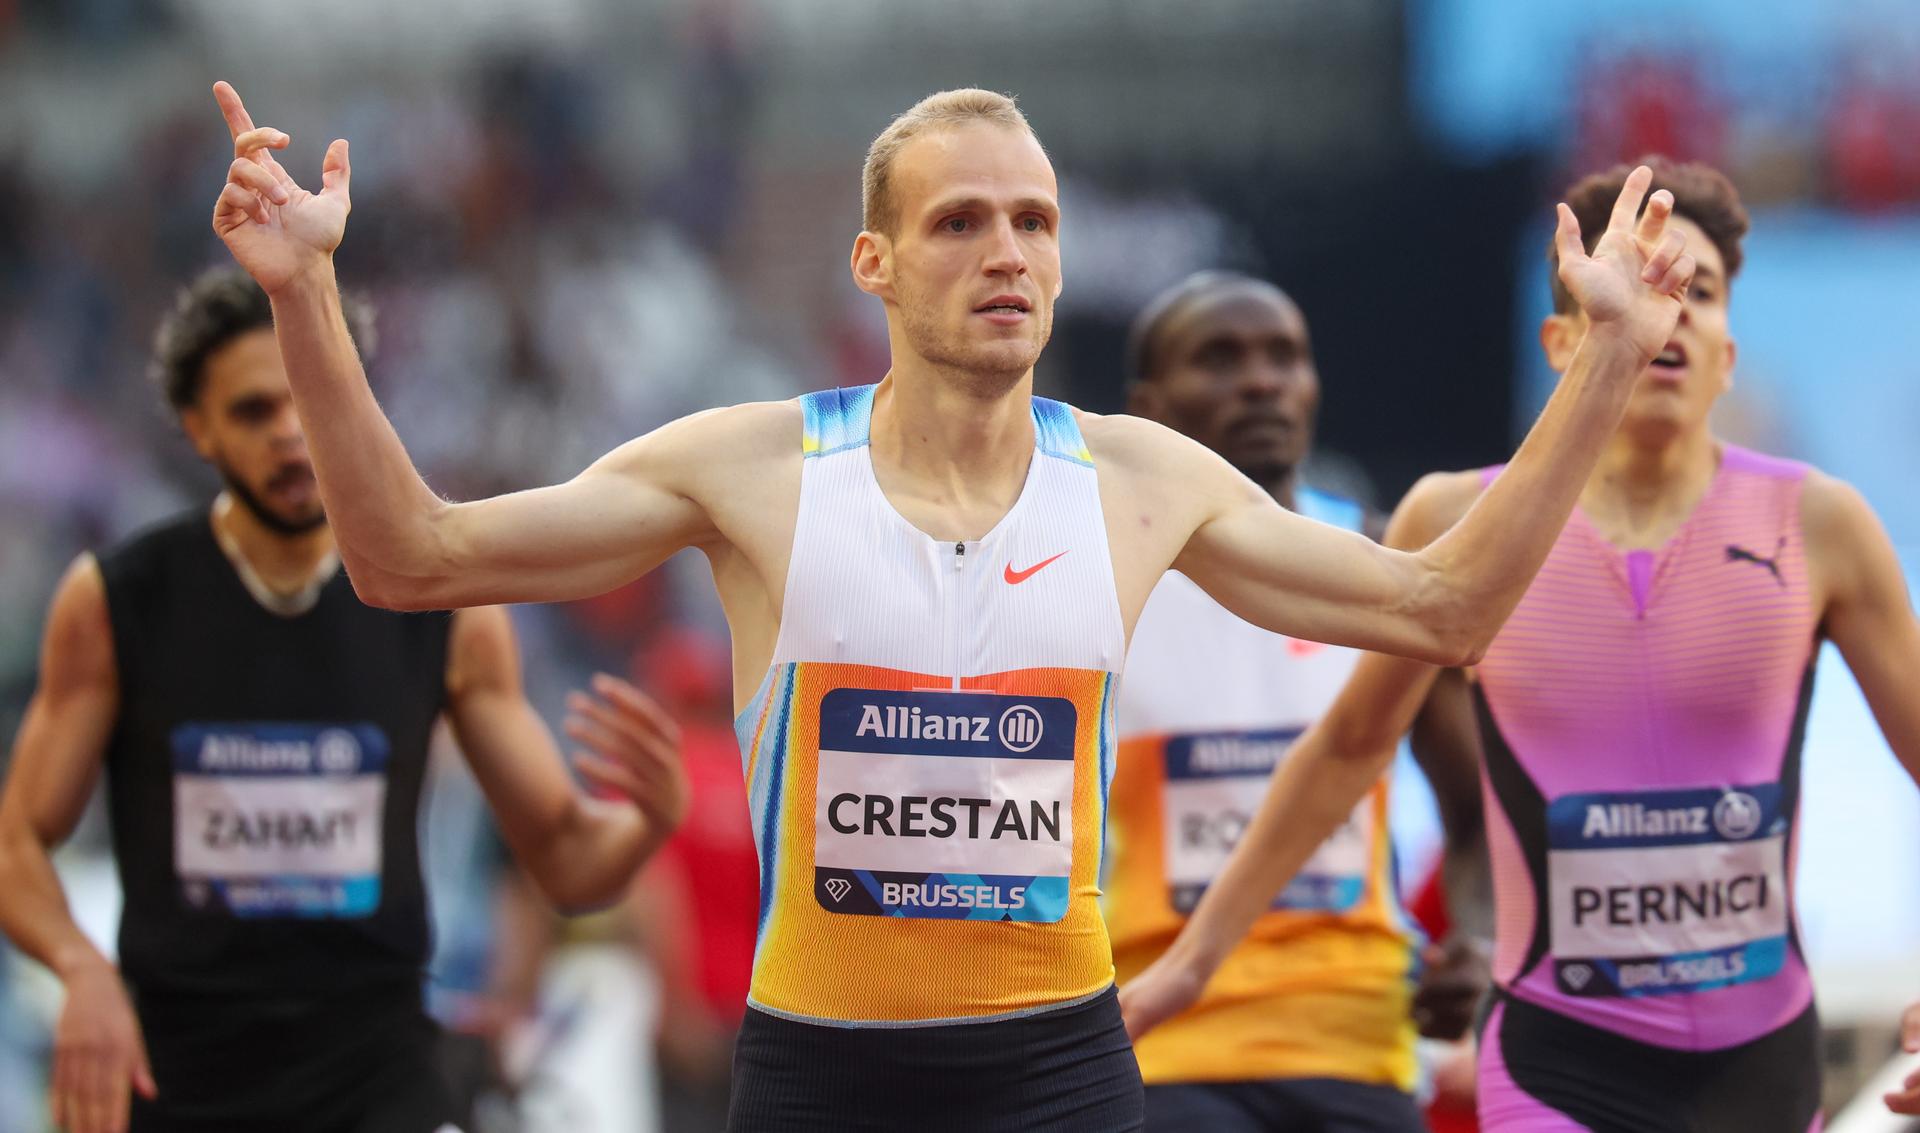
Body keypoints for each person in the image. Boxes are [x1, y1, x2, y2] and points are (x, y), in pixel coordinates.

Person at [206, 78, 1695, 1131]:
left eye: (1036, 224)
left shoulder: (1137, 480)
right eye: (962, 223)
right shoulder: (754, 469)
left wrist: (1611, 357)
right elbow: (412, 556)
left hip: (1058, 1071)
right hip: (822, 1074)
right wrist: (301, 297)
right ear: (874, 263)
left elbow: (1444, 607)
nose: (1010, 254)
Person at [1119, 158, 1920, 1133]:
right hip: (1554, 1064)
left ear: (1728, 352)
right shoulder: (1458, 520)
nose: (1666, 311)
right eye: (1635, 287)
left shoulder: (1822, 525)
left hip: (1759, 1060)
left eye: (1695, 292)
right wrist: (1192, 963)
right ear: (1563, 337)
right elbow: (1348, 747)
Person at [0, 269, 690, 1133]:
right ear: (196, 426)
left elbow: (564, 859)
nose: (291, 436)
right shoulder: (117, 600)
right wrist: (79, 968)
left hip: (377, 1081)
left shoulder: (447, 607)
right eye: (254, 411)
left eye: (306, 401)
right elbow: (17, 838)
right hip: (179, 1077)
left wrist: (648, 823)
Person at [1107, 270, 1490, 1133]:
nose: (1261, 380)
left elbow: (1477, 812)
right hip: (1158, 1047)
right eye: (1220, 357)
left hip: (1358, 1043)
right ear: (1147, 404)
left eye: (1285, 356)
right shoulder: (1092, 582)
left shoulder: (1388, 572)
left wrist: (1477, 935)